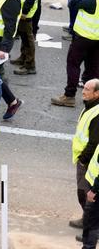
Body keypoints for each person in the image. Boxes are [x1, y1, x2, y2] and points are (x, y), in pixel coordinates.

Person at [55, 0, 99, 108]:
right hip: (96, 38)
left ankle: (69, 96)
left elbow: (72, 3)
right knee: (93, 69)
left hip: (83, 37)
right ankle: (93, 97)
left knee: (73, 65)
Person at [73, 80, 99, 234]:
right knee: (84, 194)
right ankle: (87, 219)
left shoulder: (97, 114)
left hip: (89, 162)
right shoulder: (90, 106)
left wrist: (83, 160)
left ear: (97, 93)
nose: (83, 91)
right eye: (84, 88)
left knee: (86, 195)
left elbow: (94, 141)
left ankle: (91, 226)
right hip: (84, 160)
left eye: (88, 89)